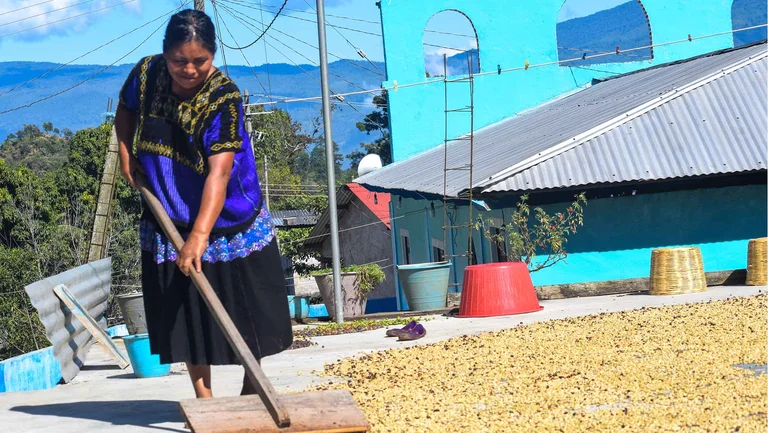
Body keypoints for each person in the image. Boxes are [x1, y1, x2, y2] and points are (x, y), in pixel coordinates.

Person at [114, 9, 292, 399]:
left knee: (246, 309)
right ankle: (204, 399)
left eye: (200, 60)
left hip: (227, 214)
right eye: (179, 60)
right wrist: (126, 154)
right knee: (187, 313)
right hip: (169, 208)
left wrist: (199, 235)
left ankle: (252, 387)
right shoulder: (146, 74)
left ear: (213, 54)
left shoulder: (223, 97)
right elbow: (126, 108)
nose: (189, 70)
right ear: (165, 52)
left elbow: (219, 173)